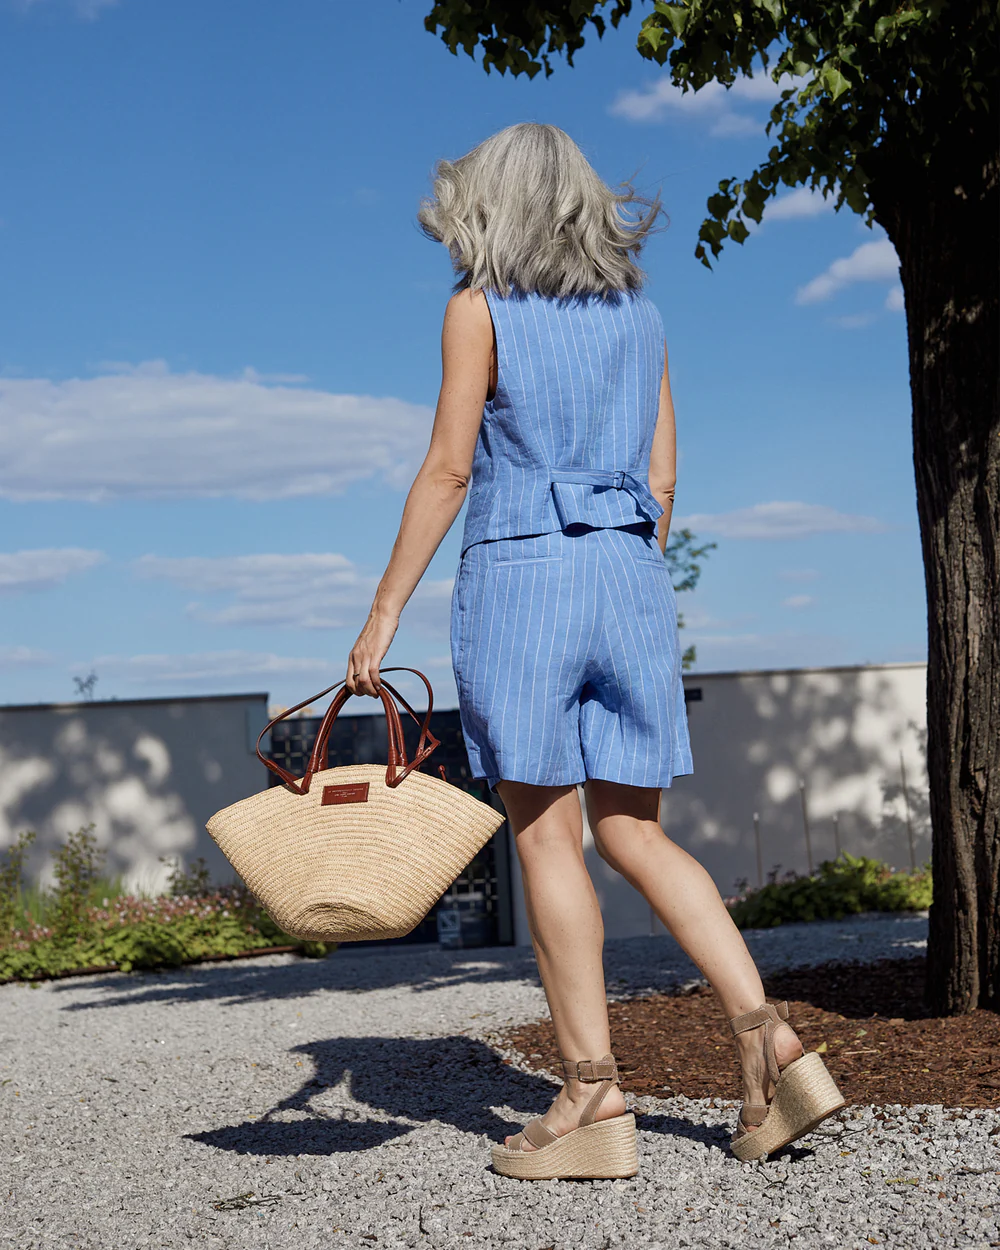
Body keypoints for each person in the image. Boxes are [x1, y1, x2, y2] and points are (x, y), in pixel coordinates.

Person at [345, 122, 845, 1179]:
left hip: (526, 573)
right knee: (638, 833)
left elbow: (446, 470)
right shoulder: (641, 316)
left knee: (545, 838)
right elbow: (663, 481)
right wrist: (620, 569)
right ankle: (765, 1037)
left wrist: (385, 608)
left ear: (491, 207)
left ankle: (590, 1092)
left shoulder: (477, 309)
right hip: (629, 576)